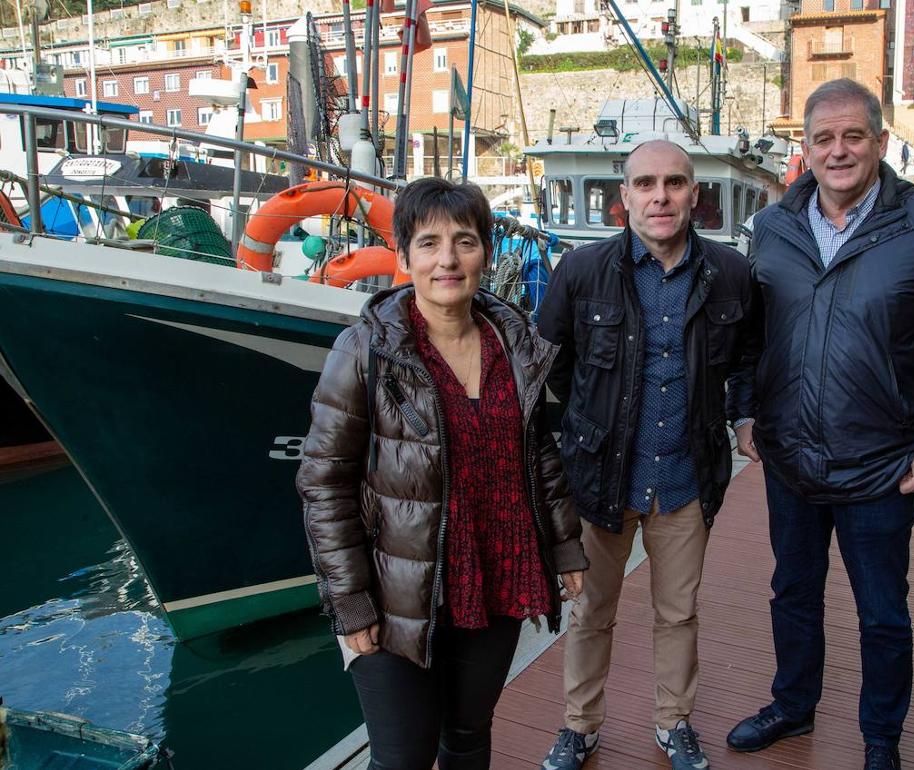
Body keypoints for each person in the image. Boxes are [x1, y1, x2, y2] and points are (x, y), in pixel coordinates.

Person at [725, 78, 914, 770]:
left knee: (882, 611)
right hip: (789, 458)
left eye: (852, 136)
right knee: (793, 591)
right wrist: (745, 413)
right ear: (805, 149)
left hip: (882, 465)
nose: (838, 151)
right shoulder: (773, 227)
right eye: (823, 139)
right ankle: (792, 704)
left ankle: (882, 738)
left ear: (878, 141)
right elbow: (749, 338)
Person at [298, 178, 589, 770]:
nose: (448, 260)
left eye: (465, 241)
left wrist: (565, 548)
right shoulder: (367, 349)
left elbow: (537, 455)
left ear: (486, 251)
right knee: (401, 758)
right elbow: (323, 480)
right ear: (403, 258)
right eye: (428, 243)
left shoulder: (514, 344)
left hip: (496, 574)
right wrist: (349, 601)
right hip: (397, 589)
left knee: (467, 737)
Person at [536, 139, 755, 770]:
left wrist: (744, 414)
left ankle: (673, 722)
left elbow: (747, 358)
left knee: (678, 612)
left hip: (686, 475)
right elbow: (554, 368)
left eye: (675, 183)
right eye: (646, 184)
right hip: (600, 477)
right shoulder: (580, 273)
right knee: (589, 611)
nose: (661, 196)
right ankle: (580, 727)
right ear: (624, 196)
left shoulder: (731, 275)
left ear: (694, 193)